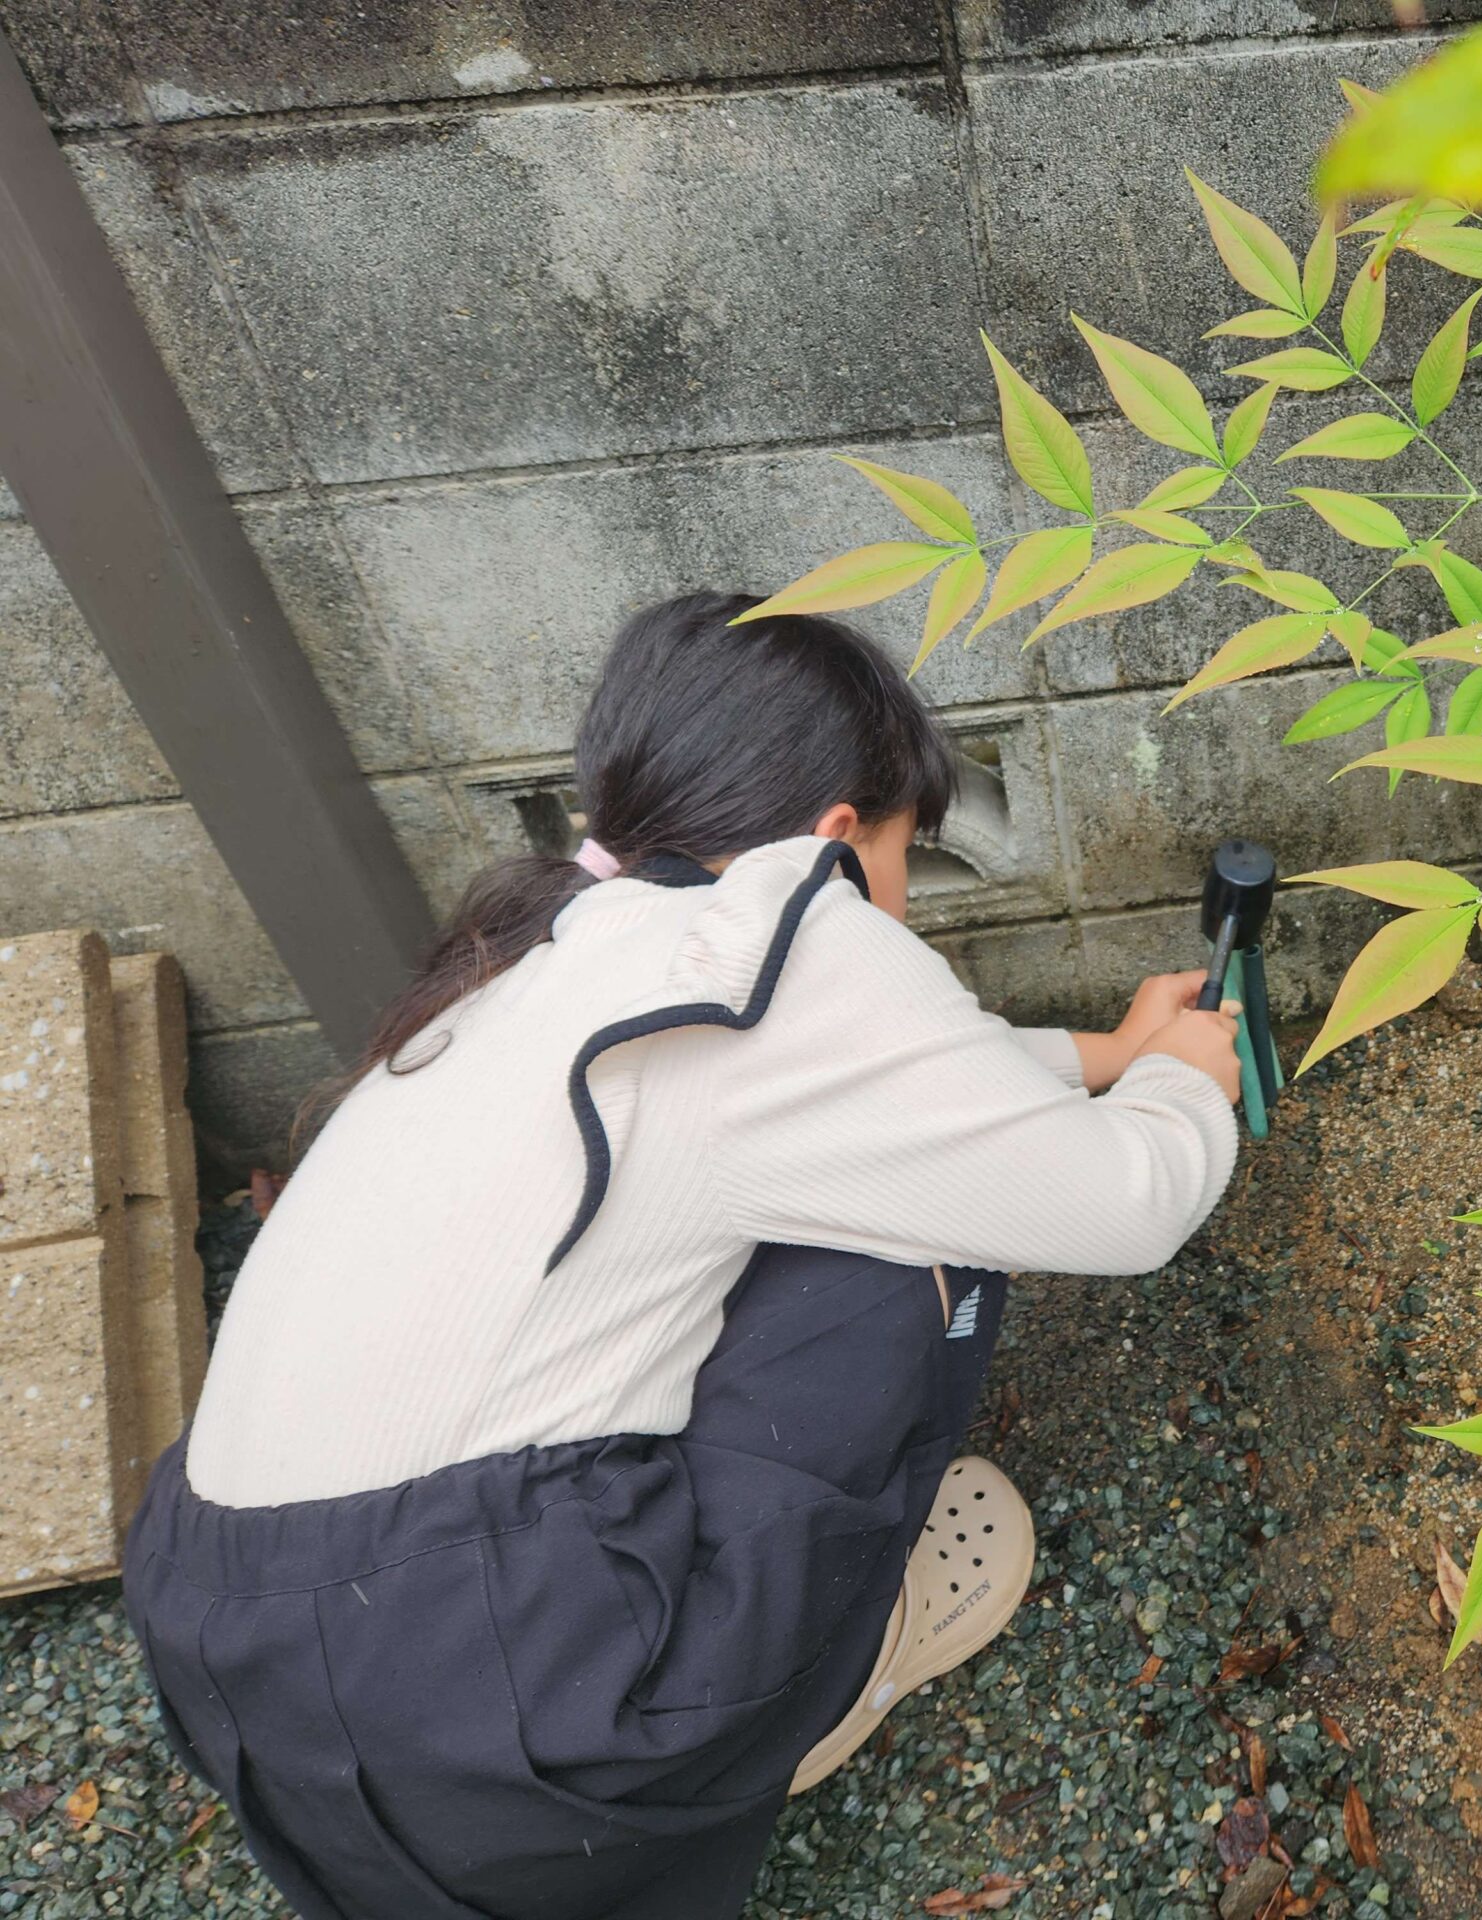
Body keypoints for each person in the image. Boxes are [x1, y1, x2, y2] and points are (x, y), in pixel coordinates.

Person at [122, 591, 1243, 1919]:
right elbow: (1125, 1204)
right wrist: (1183, 1092)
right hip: (519, 1722)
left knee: (842, 1201)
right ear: (836, 836)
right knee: (896, 1266)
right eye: (905, 857)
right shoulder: (790, 930)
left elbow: (826, 1103)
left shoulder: (561, 949)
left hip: (250, 1657)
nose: (902, 898)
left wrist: (1103, 1055)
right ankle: (824, 1669)